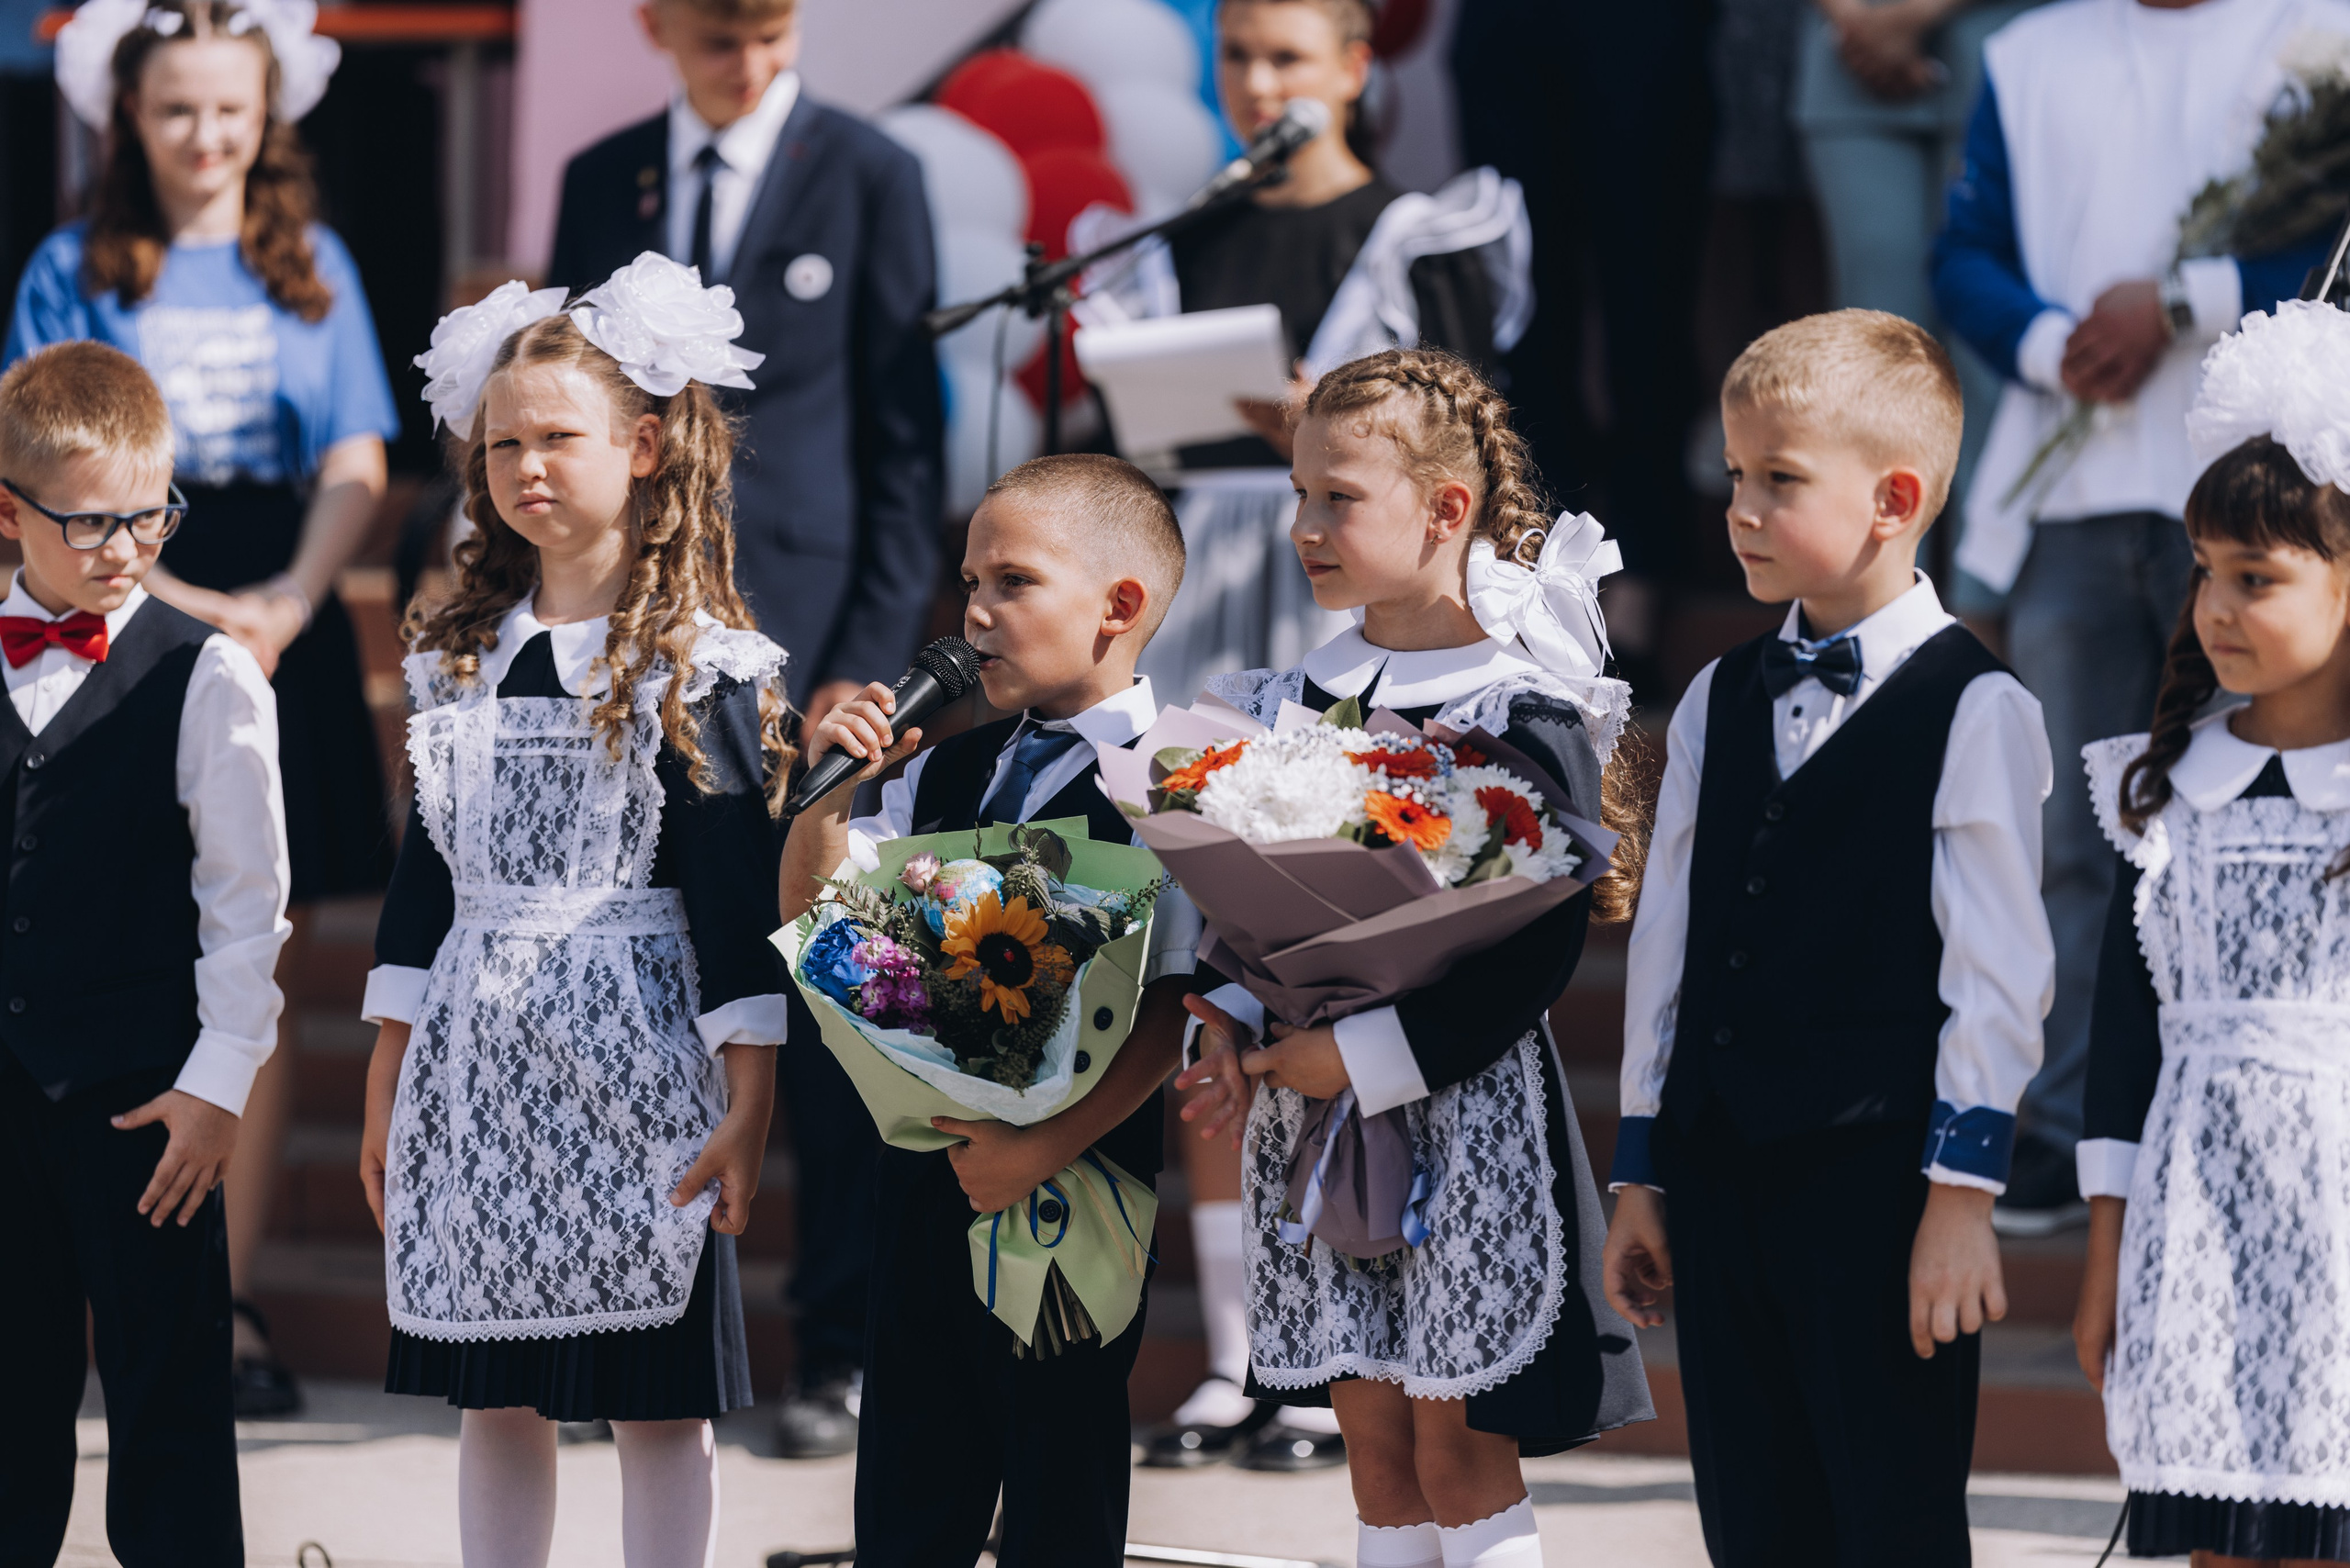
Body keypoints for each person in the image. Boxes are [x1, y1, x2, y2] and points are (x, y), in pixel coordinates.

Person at [1083, 0, 1532, 1468]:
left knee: (1337, 965)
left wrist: (1322, 426)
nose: (1261, 81)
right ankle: (1241, 1354)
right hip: (1212, 588)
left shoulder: (1421, 232)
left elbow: (1474, 431)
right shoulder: (1177, 238)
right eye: (1238, 56)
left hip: (1352, 623)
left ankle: (1354, 1338)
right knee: (1209, 972)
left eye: (1290, 55)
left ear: (1356, 64)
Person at [1178, 348, 1654, 1568]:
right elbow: (1246, 907)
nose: (1303, 527)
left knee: (1457, 1451)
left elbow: (1534, 943)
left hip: (1458, 1113)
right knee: (1377, 1454)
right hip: (1308, 1116)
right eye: (1298, 493)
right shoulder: (1289, 696)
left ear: (1447, 509)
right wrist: (1226, 1017)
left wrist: (1367, 1055)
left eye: (1338, 497)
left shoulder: (1516, 702)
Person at [545, 0, 944, 1452]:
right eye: (717, 28)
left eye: (769, 25)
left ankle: (836, 1342)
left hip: (814, 646)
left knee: (823, 999)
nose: (746, 55)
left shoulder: (874, 172)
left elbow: (905, 441)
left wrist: (868, 673)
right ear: (656, 23)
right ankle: (617, 1321)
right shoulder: (604, 176)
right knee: (641, 973)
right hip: (643, 643)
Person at [1602, 310, 2052, 1566]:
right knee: (1754, 1521)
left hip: (1882, 1188)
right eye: (1735, 475)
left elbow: (1999, 975)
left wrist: (1960, 1198)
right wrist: (1642, 1167)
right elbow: (1669, 941)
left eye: (1779, 480)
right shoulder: (1714, 696)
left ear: (1894, 499)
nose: (1738, 509)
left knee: (1891, 1516)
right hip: (1723, 1172)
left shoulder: (1977, 706)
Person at [358, 258, 788, 1568]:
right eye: (503, 444)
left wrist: (749, 1099)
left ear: (644, 446)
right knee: (495, 1389)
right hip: (478, 1068)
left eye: (558, 437)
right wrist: (387, 1072)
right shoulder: (457, 658)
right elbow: (426, 883)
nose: (527, 465)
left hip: (638, 1064)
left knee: (656, 1394)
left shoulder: (694, 663)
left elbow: (731, 898)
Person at [6, 0, 398, 1411]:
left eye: (230, 107)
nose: (205, 133)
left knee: (249, 961)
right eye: (176, 106)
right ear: (129, 115)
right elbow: (38, 469)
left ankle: (216, 1298)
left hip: (278, 613)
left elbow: (355, 452)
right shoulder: (68, 265)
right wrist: (163, 592)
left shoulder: (316, 263)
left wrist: (286, 598)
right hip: (121, 596)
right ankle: (65, 1295)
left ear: (267, 113)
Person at [1929, 0, 2350, 1235]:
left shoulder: (2319, 28)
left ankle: (2249, 1120)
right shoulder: (2028, 50)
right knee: (2082, 831)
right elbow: (1965, 253)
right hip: (2074, 494)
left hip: (2261, 513)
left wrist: (2181, 300)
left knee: (2278, 815)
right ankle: (2072, 1126)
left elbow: (2328, 232)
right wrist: (2052, 340)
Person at [776, 453, 1203, 1567]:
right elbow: (823, 924)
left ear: (1119, 604)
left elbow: (1173, 1007)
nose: (974, 611)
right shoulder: (943, 771)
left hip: (1076, 1182)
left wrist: (1042, 1145)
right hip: (928, 1175)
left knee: (1059, 1493)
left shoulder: (1178, 777)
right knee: (910, 1493)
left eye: (1013, 581)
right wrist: (832, 796)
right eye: (969, 581)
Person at [0, 341, 291, 1567]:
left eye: (149, 516)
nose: (125, 547)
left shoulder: (205, 672)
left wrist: (217, 1086)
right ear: (9, 512)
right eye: (89, 523)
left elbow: (246, 903)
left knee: (167, 1398)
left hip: (145, 1101)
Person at [2072, 302, 2350, 1565]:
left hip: (2335, 1222)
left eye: (2257, 578)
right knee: (2217, 1534)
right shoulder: (2166, 791)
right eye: (2203, 571)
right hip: (2197, 1229)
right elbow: (2123, 1042)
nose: (2215, 609)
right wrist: (2106, 1257)